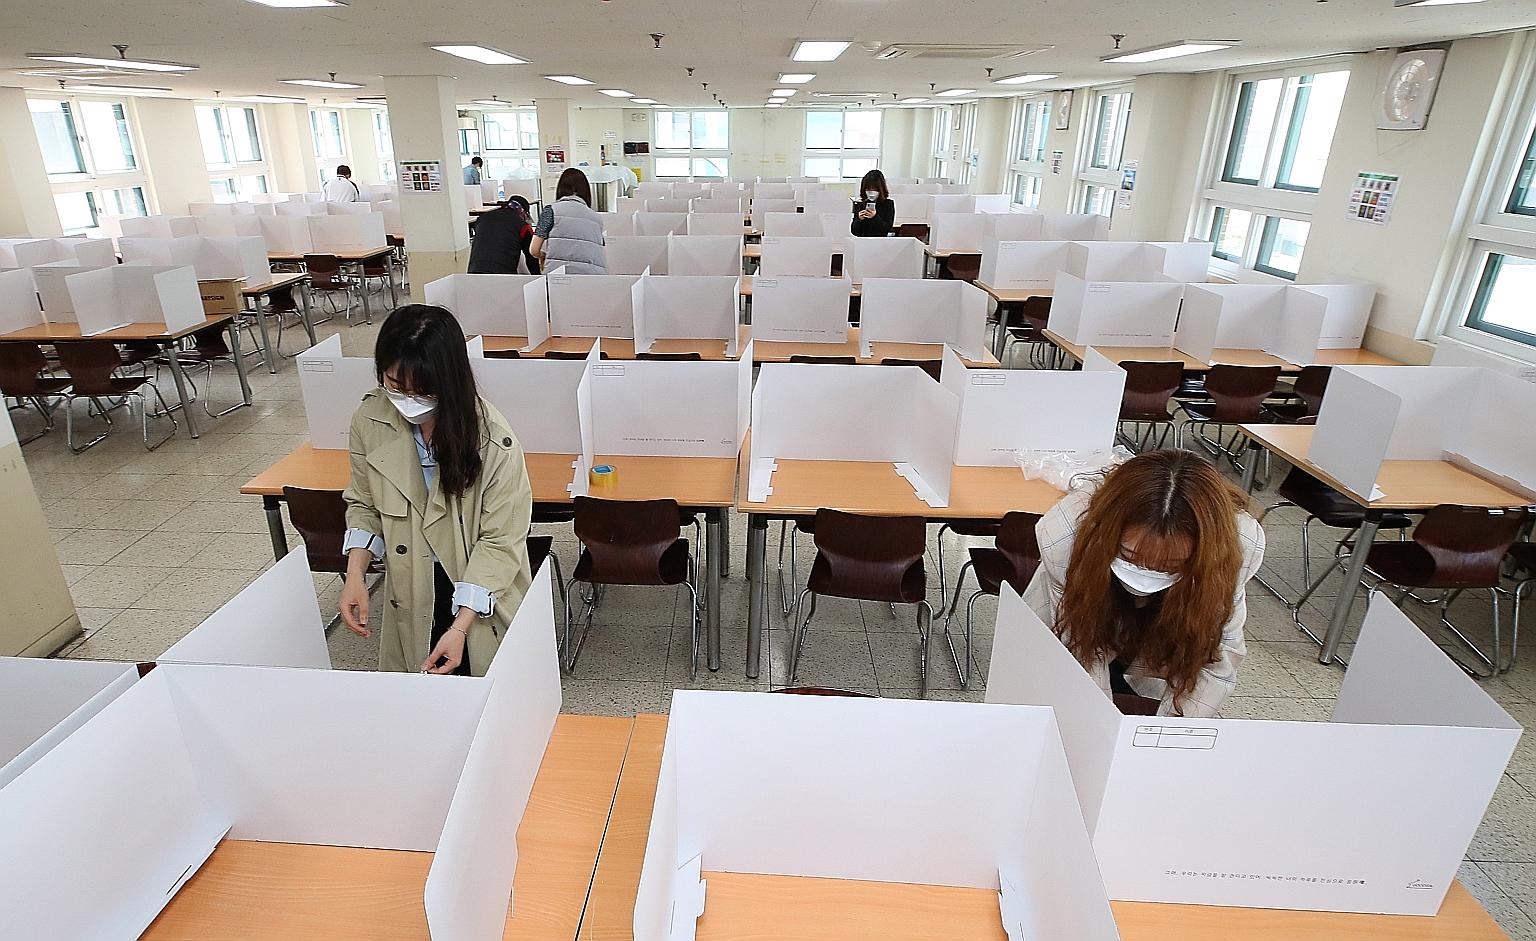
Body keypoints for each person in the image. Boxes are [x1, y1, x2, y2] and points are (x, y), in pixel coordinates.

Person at [339, 305, 534, 676]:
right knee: (417, 698)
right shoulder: (370, 419)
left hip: (475, 593)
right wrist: (355, 576)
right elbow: (364, 504)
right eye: (394, 385)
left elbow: (499, 543)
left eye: (422, 391)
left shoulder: (493, 440)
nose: (407, 400)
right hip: (412, 585)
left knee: (478, 693)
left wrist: (459, 627)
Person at [1022, 449, 1265, 717]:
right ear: (1109, 536)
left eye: (1171, 565)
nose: (1146, 574)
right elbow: (1079, 645)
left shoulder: (1236, 547)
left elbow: (1216, 655)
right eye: (1130, 556)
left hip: (1173, 606)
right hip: (1092, 596)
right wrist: (1098, 723)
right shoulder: (1066, 536)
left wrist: (1172, 735)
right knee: (1069, 702)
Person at [530, 167, 606, 274]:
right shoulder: (597, 218)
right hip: (592, 278)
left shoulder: (550, 211)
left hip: (559, 277)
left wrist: (543, 256)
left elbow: (534, 249)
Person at [467, 196, 538, 274]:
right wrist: (539, 278)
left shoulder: (483, 218)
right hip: (502, 273)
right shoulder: (523, 226)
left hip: (474, 271)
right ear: (524, 212)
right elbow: (531, 258)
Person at [849, 169, 895, 237]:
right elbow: (854, 232)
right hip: (862, 241)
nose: (871, 191)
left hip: (879, 242)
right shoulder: (861, 204)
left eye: (874, 189)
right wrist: (859, 219)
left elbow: (887, 228)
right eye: (868, 189)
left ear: (881, 189)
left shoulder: (888, 204)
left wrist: (875, 217)